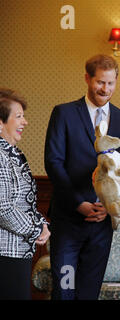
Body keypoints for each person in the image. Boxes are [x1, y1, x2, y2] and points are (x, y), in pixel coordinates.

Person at [44, 54, 120, 300]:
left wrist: (110, 206)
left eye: (110, 83)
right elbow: (53, 163)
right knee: (64, 291)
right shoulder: (63, 113)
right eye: (100, 82)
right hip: (67, 222)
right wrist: (79, 204)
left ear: (116, 81)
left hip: (101, 226)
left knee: (88, 293)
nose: (105, 89)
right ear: (87, 78)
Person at [0, 88, 50, 300]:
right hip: (5, 252)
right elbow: (3, 208)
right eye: (18, 117)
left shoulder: (14, 154)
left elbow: (24, 203)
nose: (25, 122)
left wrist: (42, 223)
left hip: (18, 250)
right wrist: (36, 228)